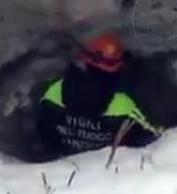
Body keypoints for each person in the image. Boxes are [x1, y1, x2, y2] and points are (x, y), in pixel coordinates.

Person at [34, 32, 163, 158]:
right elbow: (154, 140)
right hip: (102, 172)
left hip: (59, 167)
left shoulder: (55, 91)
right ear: (119, 67)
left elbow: (41, 132)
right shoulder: (122, 105)